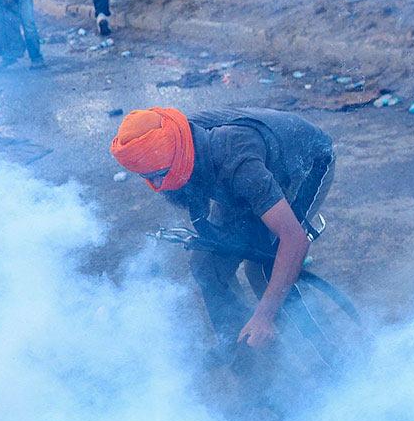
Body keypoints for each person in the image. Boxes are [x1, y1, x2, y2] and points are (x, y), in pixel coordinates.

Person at [109, 107, 334, 350]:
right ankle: (242, 349)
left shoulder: (236, 162)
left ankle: (332, 357)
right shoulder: (178, 146)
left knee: (263, 269)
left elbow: (295, 240)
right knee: (206, 265)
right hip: (246, 178)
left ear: (178, 159)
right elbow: (198, 206)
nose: (156, 185)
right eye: (148, 177)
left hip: (303, 164)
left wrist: (264, 316)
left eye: (160, 175)